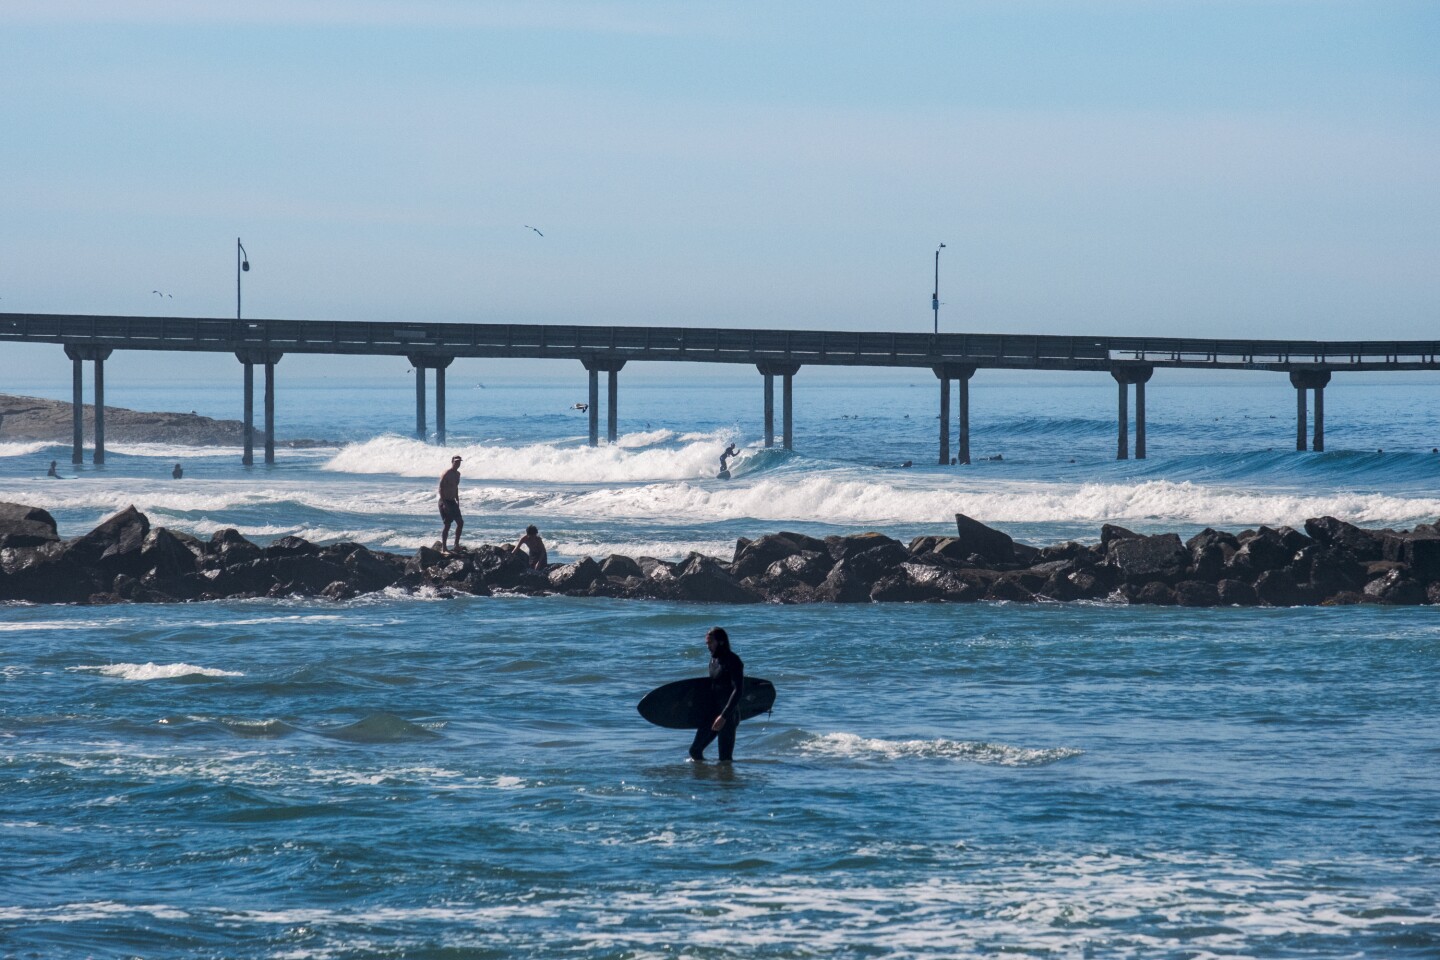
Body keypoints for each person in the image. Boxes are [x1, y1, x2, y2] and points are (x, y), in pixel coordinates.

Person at [689, 626, 744, 763]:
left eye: (710, 643)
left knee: (725, 759)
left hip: (728, 715)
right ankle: (706, 779)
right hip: (712, 713)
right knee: (695, 750)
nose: (708, 647)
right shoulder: (713, 661)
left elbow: (738, 690)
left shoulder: (733, 661)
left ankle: (726, 782)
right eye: (707, 644)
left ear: (721, 642)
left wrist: (724, 716)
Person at [438, 455, 463, 551]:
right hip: (445, 501)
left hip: (453, 501)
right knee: (447, 525)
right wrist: (444, 503)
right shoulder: (446, 473)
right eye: (456, 461)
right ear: (452, 462)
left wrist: (457, 498)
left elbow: (455, 487)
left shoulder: (458, 474)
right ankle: (444, 548)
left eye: (459, 462)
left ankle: (456, 545)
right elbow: (440, 488)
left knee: (460, 523)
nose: (457, 463)